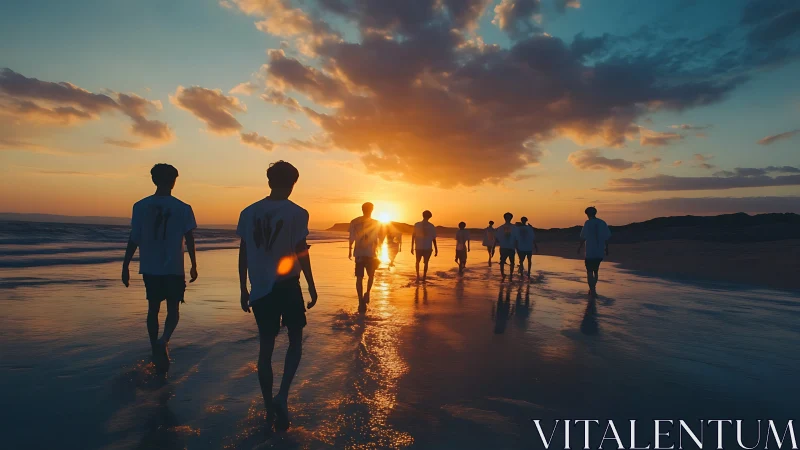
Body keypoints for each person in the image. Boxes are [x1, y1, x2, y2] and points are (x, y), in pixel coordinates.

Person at [237, 161, 319, 434]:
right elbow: (300, 251)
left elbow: (244, 253)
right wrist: (311, 285)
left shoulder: (248, 212)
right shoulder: (298, 213)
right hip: (287, 285)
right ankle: (282, 395)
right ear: (294, 182)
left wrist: (242, 288)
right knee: (295, 341)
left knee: (266, 348)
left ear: (269, 180)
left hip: (260, 288)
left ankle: (267, 406)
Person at [122, 163, 198, 376]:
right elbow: (190, 239)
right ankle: (164, 340)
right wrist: (193, 265)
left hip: (150, 266)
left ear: (154, 180)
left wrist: (126, 264)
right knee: (173, 309)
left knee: (153, 308)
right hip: (173, 267)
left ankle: (154, 344)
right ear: (173, 181)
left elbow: (134, 238)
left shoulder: (140, 206)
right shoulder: (183, 207)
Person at [348, 202, 384, 309]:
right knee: (371, 275)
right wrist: (379, 251)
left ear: (362, 209)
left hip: (359, 253)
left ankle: (360, 301)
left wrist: (350, 251)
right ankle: (367, 292)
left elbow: (351, 237)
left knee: (359, 277)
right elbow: (379, 239)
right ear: (372, 210)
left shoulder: (354, 221)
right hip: (371, 253)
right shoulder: (377, 223)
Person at [577, 206, 611, 298]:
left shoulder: (587, 223)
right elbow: (606, 237)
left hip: (590, 251)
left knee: (589, 271)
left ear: (588, 214)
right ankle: (593, 288)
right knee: (596, 271)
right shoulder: (602, 222)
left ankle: (591, 290)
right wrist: (606, 249)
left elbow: (583, 237)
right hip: (599, 251)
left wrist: (579, 248)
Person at [411, 210, 438, 282]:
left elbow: (413, 236)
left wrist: (412, 247)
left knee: (417, 261)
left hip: (418, 246)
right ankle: (424, 277)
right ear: (429, 217)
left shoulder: (417, 224)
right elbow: (433, 239)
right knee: (426, 263)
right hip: (427, 247)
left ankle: (417, 276)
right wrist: (436, 249)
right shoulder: (431, 226)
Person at [495, 212, 519, 282]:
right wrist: (493, 247)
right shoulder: (500, 228)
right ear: (504, 218)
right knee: (502, 261)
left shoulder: (514, 228)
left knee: (512, 262)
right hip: (503, 247)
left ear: (511, 218)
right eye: (507, 217)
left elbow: (517, 238)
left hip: (511, 247)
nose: (508, 219)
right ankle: (502, 274)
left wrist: (518, 248)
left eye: (509, 217)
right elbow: (496, 239)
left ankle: (510, 274)